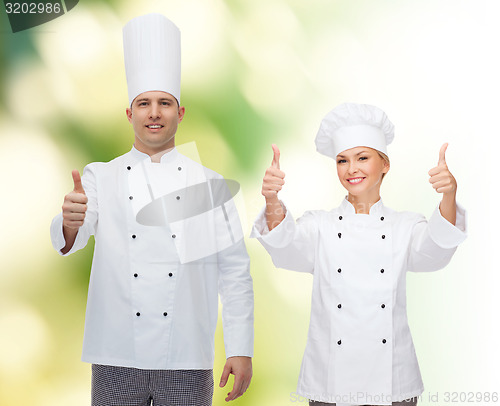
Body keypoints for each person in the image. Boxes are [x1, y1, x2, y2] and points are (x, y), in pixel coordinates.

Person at [50, 13, 253, 406]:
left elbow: (235, 271)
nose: (154, 112)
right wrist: (70, 223)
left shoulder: (209, 184)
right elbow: (72, 235)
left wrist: (240, 347)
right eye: (144, 103)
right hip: (115, 355)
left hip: (186, 358)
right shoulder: (100, 177)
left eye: (164, 103)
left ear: (180, 112)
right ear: (130, 113)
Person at [251, 103, 467, 406]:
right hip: (330, 384)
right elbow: (285, 247)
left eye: (362, 158)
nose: (351, 169)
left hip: (393, 383)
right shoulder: (320, 225)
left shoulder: (405, 225)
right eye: (342, 160)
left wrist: (449, 195)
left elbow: (436, 250)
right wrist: (272, 198)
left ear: (385, 164)